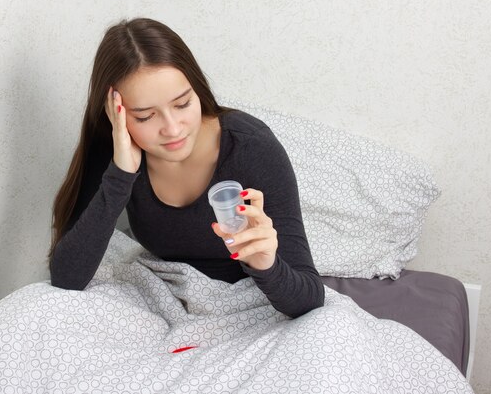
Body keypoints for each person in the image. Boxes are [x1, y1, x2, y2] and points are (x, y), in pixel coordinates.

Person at [48, 18, 324, 318]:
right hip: (165, 304)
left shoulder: (250, 147)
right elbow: (67, 279)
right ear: (117, 116)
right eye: (145, 117)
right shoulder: (119, 148)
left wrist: (266, 264)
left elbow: (309, 300)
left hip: (255, 300)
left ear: (197, 89)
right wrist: (121, 175)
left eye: (182, 104)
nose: (172, 128)